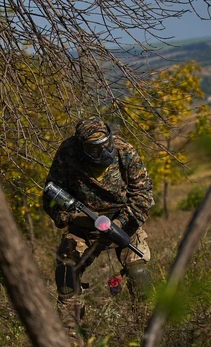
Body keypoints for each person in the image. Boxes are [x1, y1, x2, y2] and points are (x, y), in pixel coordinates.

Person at [42, 116, 154, 311]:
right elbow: (50, 198)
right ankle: (71, 331)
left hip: (123, 222)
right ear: (82, 147)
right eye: (94, 148)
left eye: (105, 143)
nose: (103, 150)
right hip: (83, 226)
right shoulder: (67, 154)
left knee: (139, 272)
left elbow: (143, 195)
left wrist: (120, 222)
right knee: (66, 275)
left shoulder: (124, 151)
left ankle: (147, 322)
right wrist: (74, 217)